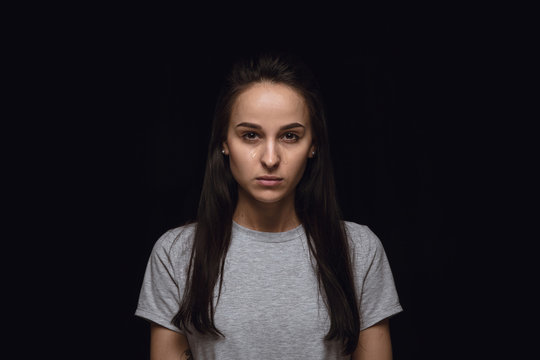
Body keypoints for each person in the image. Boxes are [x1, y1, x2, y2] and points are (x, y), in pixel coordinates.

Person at [135, 52, 403, 360]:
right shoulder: (177, 253)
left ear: (313, 144)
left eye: (290, 136)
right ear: (224, 142)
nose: (271, 158)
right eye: (250, 136)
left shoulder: (358, 249)